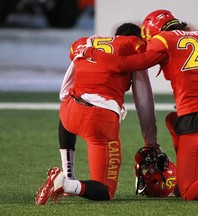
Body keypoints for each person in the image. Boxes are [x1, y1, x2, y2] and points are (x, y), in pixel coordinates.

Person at [82, 9, 198, 204]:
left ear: (152, 33)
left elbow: (124, 65)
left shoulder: (164, 40)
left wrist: (91, 52)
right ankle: (182, 179)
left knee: (190, 193)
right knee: (173, 120)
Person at [35, 23, 162, 205]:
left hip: (71, 111)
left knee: (68, 107)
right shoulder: (134, 46)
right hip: (100, 119)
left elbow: (66, 87)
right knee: (106, 190)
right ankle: (66, 184)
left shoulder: (86, 43)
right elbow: (144, 102)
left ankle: (68, 171)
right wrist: (150, 141)